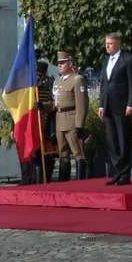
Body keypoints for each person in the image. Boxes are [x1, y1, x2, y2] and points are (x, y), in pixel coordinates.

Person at [99, 32, 132, 186]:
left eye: (109, 43)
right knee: (111, 141)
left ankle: (125, 174)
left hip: (122, 106)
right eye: (106, 43)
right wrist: (101, 104)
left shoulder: (127, 59)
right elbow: (103, 84)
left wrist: (131, 104)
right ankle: (118, 171)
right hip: (108, 105)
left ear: (117, 44)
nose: (107, 46)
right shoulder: (105, 60)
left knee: (123, 140)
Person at [53, 52, 89, 182]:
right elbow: (55, 102)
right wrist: (43, 105)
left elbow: (82, 104)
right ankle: (63, 182)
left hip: (72, 119)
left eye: (62, 62)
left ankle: (80, 183)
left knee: (78, 153)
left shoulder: (77, 79)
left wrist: (80, 124)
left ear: (69, 63)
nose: (60, 65)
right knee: (63, 153)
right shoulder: (57, 81)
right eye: (58, 63)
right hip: (59, 119)